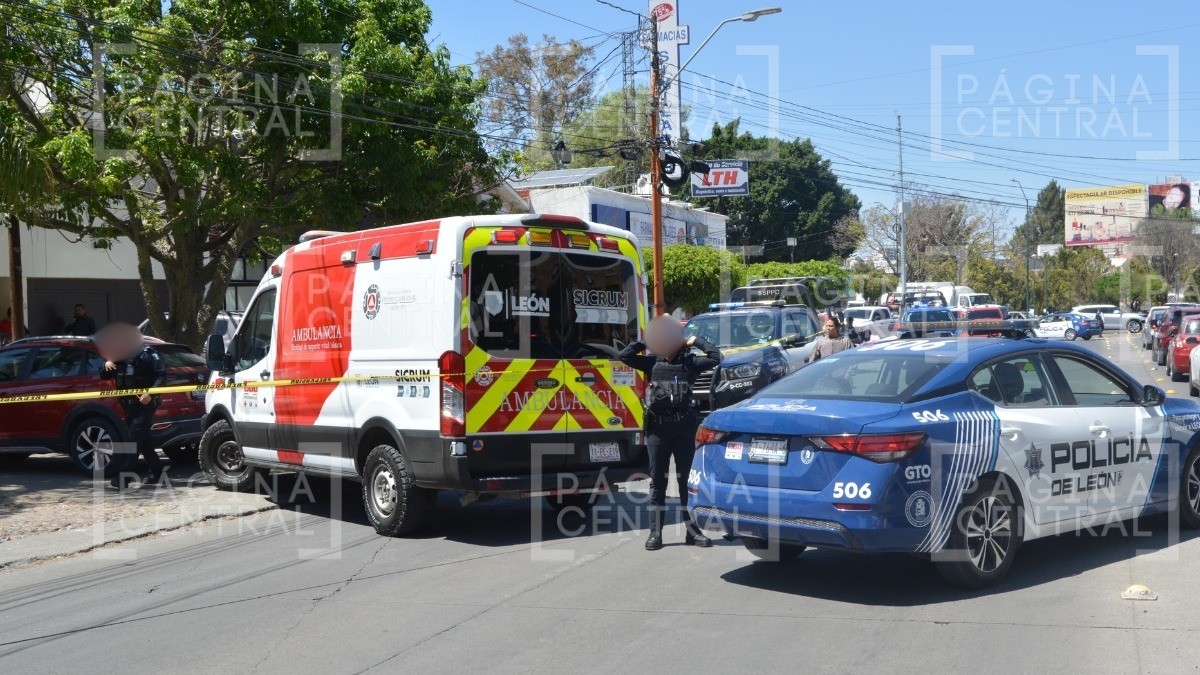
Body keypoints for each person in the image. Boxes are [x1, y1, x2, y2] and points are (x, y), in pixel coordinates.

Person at [619, 315, 722, 551]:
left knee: (686, 481)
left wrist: (696, 340)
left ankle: (692, 531)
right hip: (658, 429)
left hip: (684, 426)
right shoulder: (651, 361)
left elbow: (718, 357)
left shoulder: (690, 362)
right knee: (657, 482)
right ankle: (655, 534)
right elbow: (624, 356)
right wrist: (647, 342)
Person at [98, 324, 166, 489]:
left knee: (134, 441)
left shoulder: (148, 354)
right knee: (143, 441)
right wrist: (106, 364)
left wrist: (151, 394)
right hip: (128, 405)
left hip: (145, 404)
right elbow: (104, 374)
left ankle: (123, 478)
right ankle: (158, 473)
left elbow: (162, 376)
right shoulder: (119, 355)